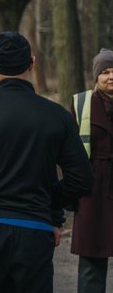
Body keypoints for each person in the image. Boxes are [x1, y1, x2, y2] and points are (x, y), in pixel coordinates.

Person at [0, 31, 93, 293]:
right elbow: (82, 179)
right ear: (32, 63)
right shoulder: (57, 116)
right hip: (33, 230)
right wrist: (46, 198)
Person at [70, 48, 113, 293]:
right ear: (96, 76)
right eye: (105, 72)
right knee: (91, 259)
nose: (110, 77)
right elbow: (67, 150)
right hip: (92, 190)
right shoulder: (81, 102)